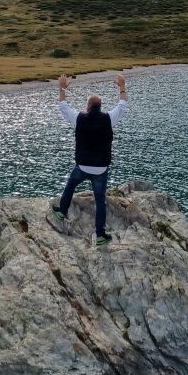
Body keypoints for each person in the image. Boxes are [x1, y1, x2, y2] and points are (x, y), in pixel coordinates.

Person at [48, 72, 128, 246]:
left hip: (82, 166)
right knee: (100, 202)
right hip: (100, 169)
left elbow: (63, 107)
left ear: (88, 106)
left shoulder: (79, 119)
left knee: (70, 185)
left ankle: (61, 212)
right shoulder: (108, 119)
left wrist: (62, 88)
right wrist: (122, 86)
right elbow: (122, 105)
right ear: (100, 106)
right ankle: (100, 235)